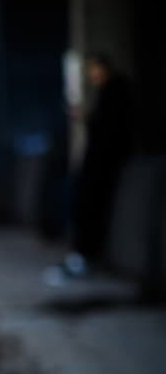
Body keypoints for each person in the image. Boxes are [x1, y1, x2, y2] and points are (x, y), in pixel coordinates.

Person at [44, 52, 134, 285]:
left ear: (103, 68)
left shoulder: (116, 91)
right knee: (84, 203)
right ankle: (83, 254)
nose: (92, 75)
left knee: (90, 206)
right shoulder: (109, 92)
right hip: (101, 161)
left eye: (94, 69)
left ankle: (86, 255)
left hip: (106, 162)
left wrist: (87, 117)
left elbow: (110, 128)